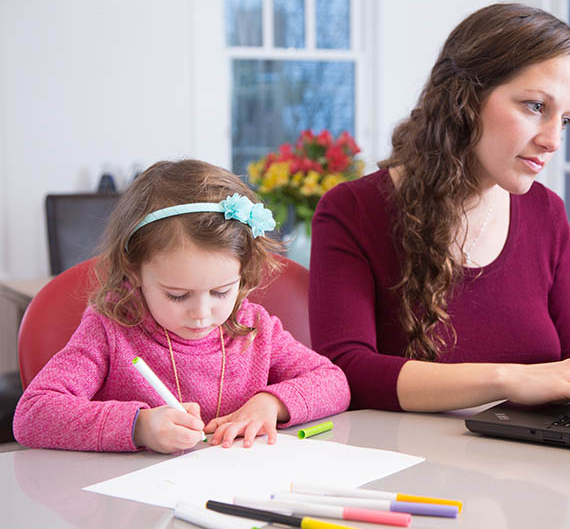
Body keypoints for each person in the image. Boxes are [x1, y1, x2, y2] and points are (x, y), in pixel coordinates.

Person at [309, 3, 570, 414]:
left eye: (566, 120)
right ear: (464, 99)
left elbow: (567, 355)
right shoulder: (352, 210)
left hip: (535, 464)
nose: (553, 141)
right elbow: (345, 370)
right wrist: (508, 377)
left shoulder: (548, 213)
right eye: (535, 106)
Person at [14, 159, 350, 453]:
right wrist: (138, 427)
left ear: (243, 272)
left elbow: (334, 382)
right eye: (177, 295)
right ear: (134, 270)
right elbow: (33, 413)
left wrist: (271, 404)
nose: (202, 313)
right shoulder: (110, 330)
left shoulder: (253, 327)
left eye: (221, 291)